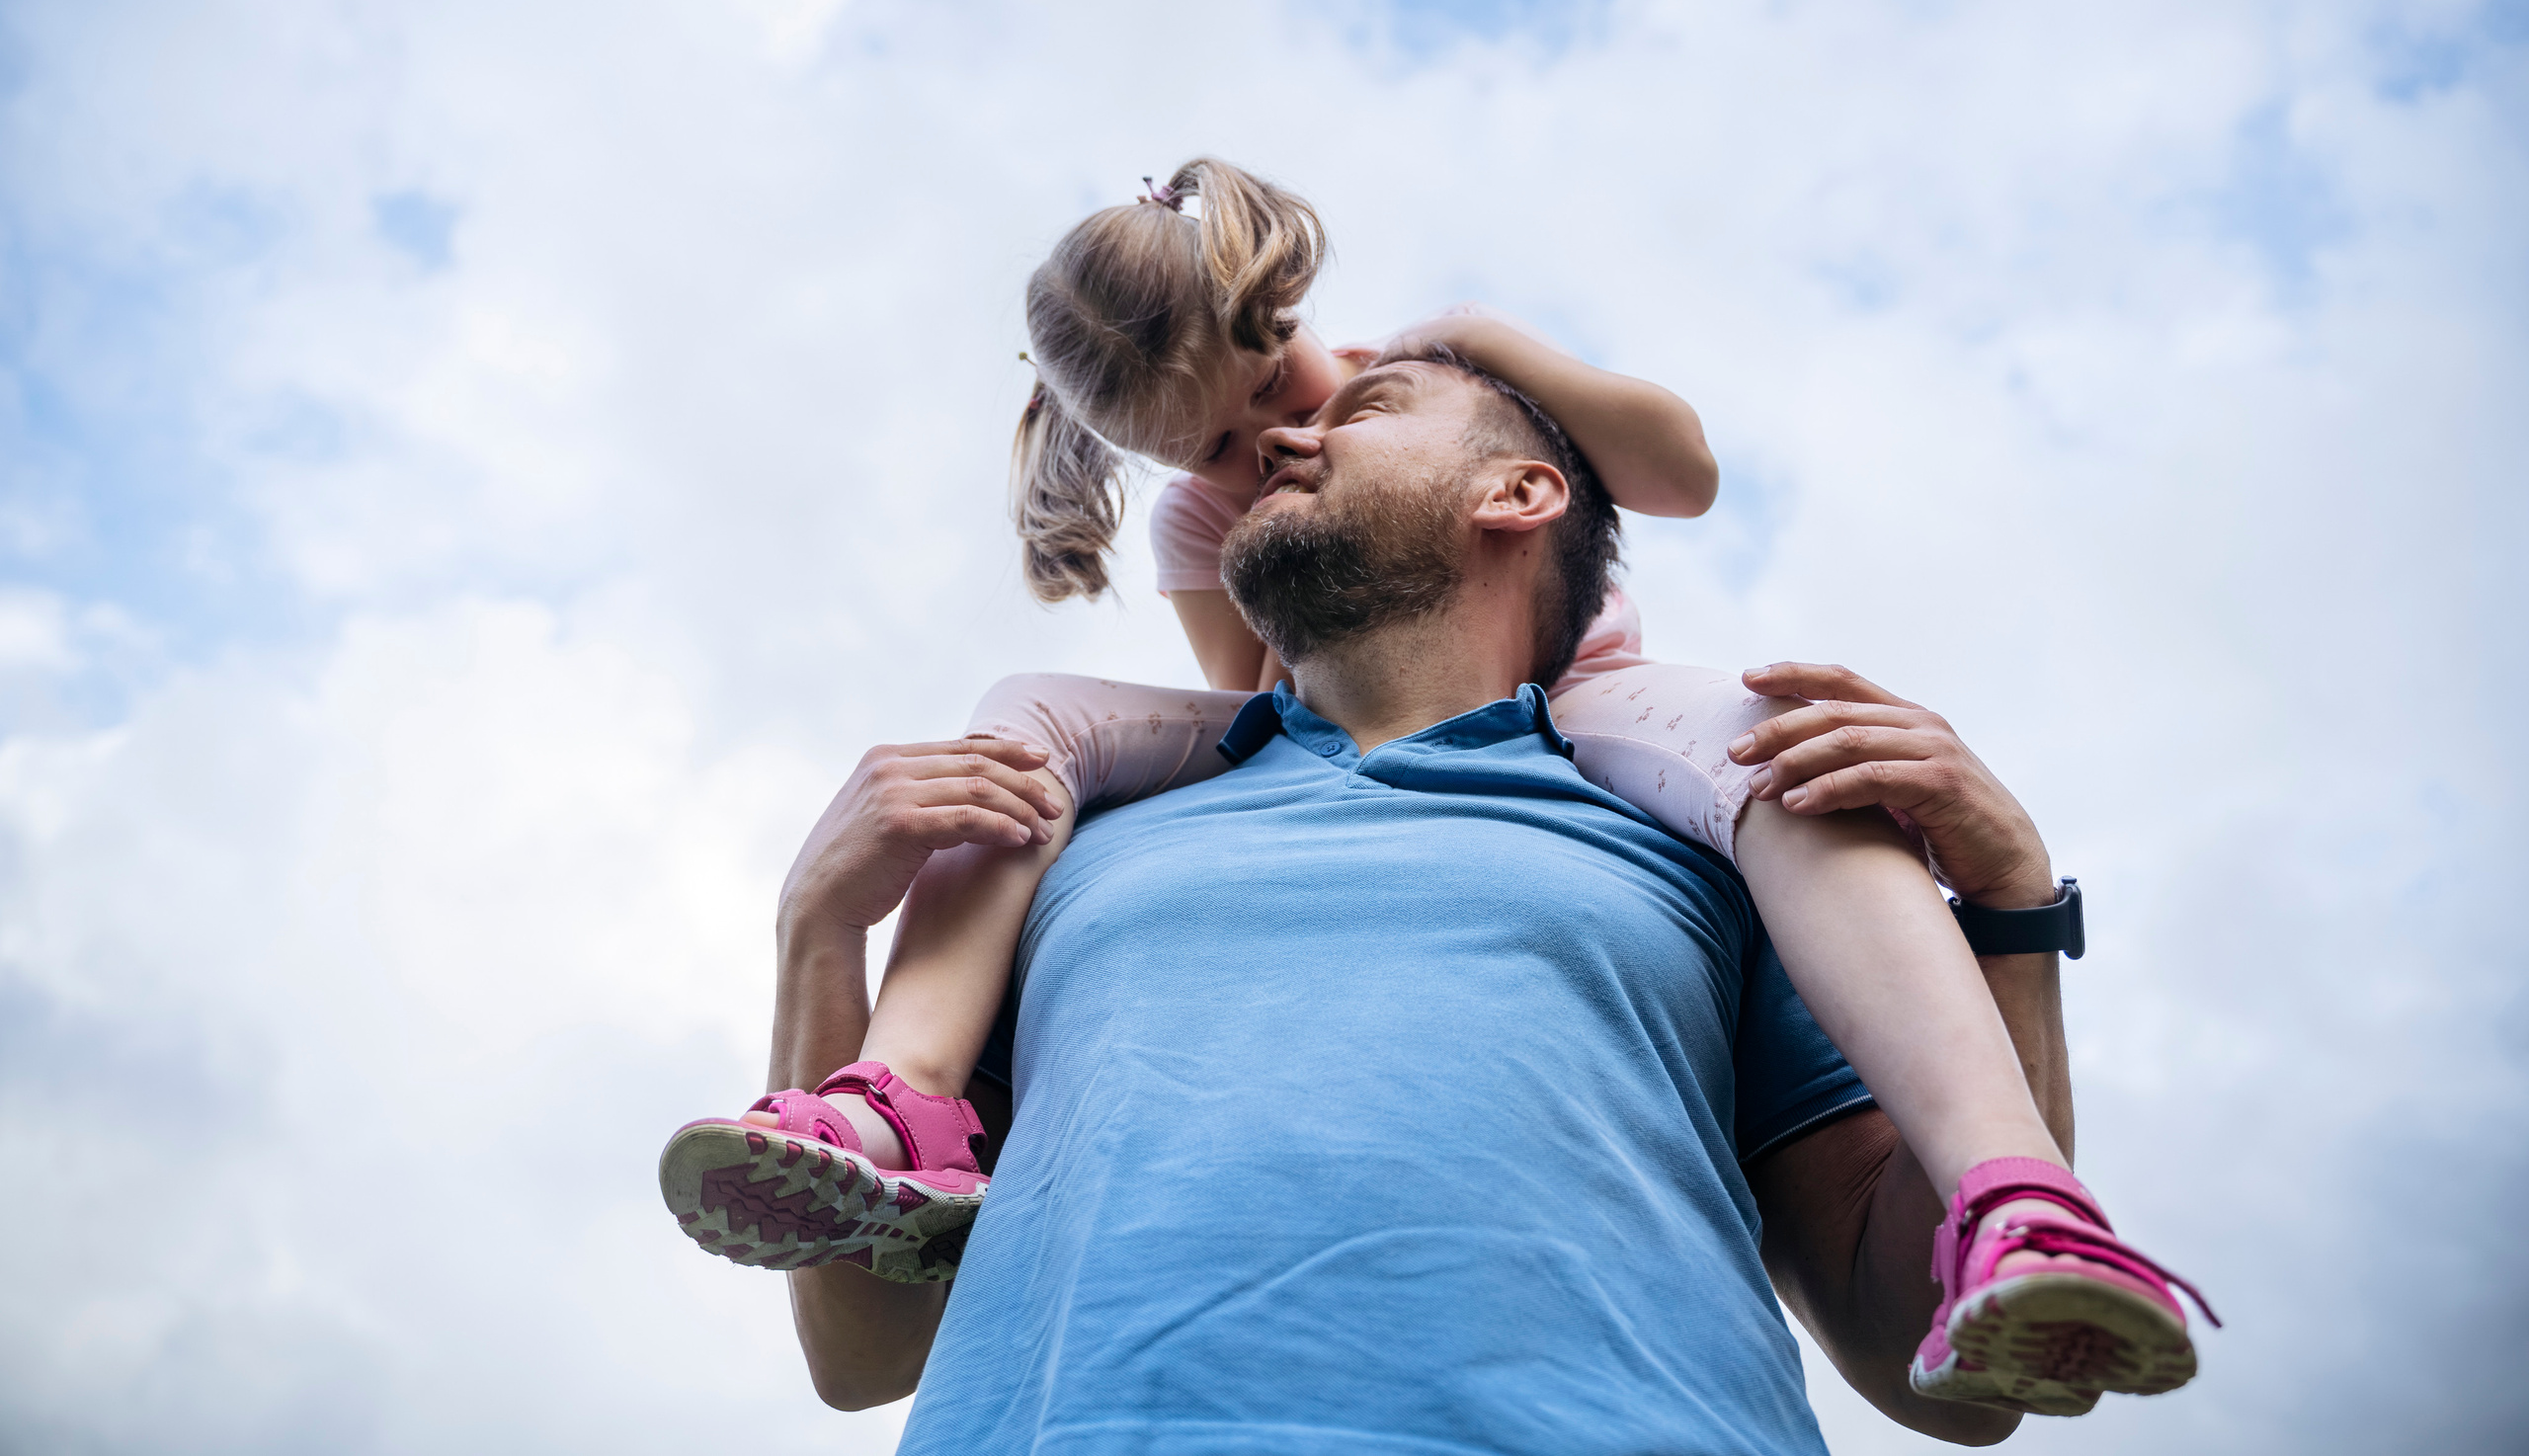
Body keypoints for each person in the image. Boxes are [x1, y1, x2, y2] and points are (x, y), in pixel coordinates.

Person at [665, 347, 2215, 1440]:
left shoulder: (1719, 837)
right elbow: (861, 1354)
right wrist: (819, 934)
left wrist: (2010, 910)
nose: (1280, 434)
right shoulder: (1063, 841)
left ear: (1521, 493)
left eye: (1372, 408)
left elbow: (1951, 1384)